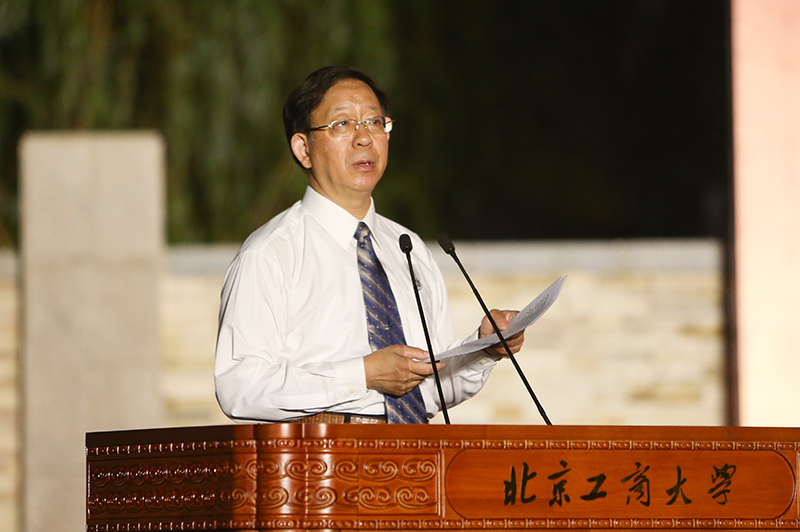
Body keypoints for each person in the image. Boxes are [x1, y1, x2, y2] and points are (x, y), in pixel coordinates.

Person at [214, 65, 524, 424]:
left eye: (374, 122)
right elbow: (241, 389)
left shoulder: (408, 248)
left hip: (417, 448)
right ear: (303, 149)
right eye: (342, 124)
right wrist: (362, 375)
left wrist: (483, 348)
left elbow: (434, 389)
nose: (363, 138)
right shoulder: (270, 254)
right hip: (326, 450)